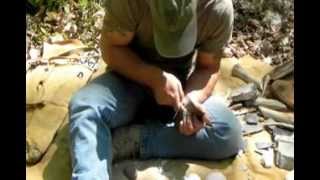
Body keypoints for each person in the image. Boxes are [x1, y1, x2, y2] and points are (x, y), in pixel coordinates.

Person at [68, 0, 243, 179]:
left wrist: (192, 98)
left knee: (227, 132)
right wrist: (154, 78)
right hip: (128, 79)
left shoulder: (216, 7)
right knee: (85, 106)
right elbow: (111, 48)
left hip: (178, 90)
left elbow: (208, 67)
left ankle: (130, 141)